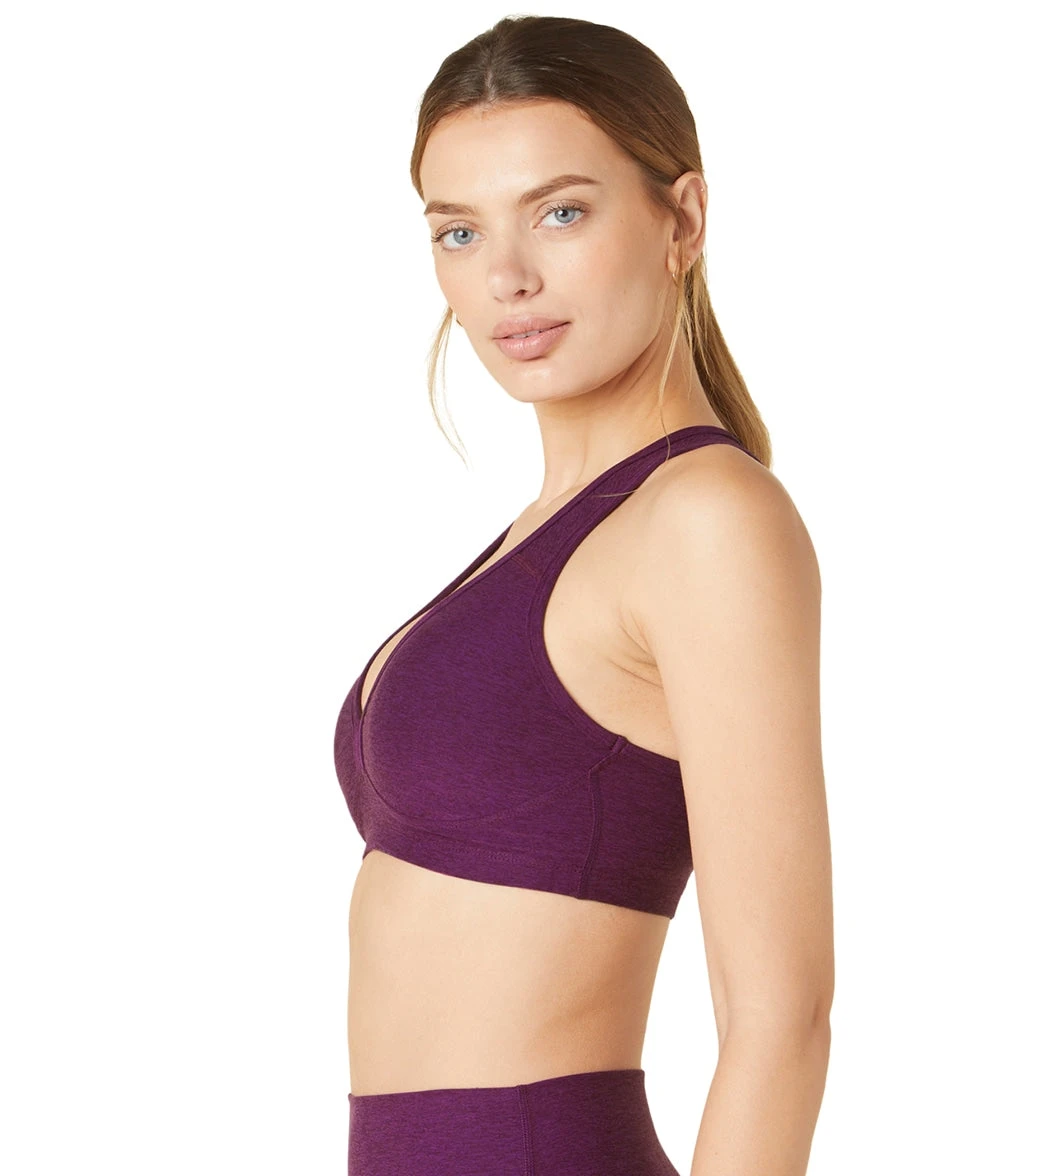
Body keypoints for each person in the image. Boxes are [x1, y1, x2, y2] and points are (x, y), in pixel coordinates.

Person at [333, 15, 833, 1176]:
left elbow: (780, 1019)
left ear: (683, 219)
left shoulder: (704, 519)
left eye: (560, 212)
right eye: (460, 231)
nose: (506, 276)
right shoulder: (550, 532)